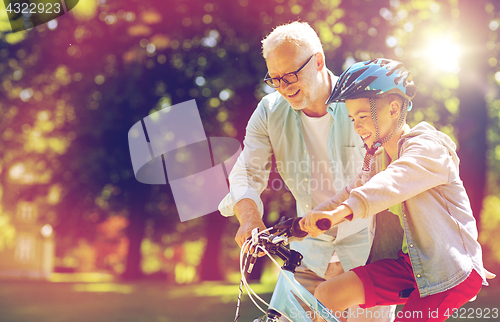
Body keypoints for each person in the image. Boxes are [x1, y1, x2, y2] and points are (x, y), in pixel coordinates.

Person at [219, 22, 394, 321]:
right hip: (308, 253)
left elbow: (394, 175)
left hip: (366, 254)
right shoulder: (269, 111)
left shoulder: (365, 104)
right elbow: (247, 171)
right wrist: (249, 218)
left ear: (319, 61)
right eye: (275, 79)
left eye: (291, 75)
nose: (284, 87)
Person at [300, 58, 490, 321]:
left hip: (448, 269)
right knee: (327, 293)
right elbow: (349, 191)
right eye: (352, 118)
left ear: (393, 109)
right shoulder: (378, 159)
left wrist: (342, 213)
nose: (356, 126)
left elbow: (391, 183)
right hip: (408, 264)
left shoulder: (427, 149)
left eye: (363, 116)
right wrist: (302, 224)